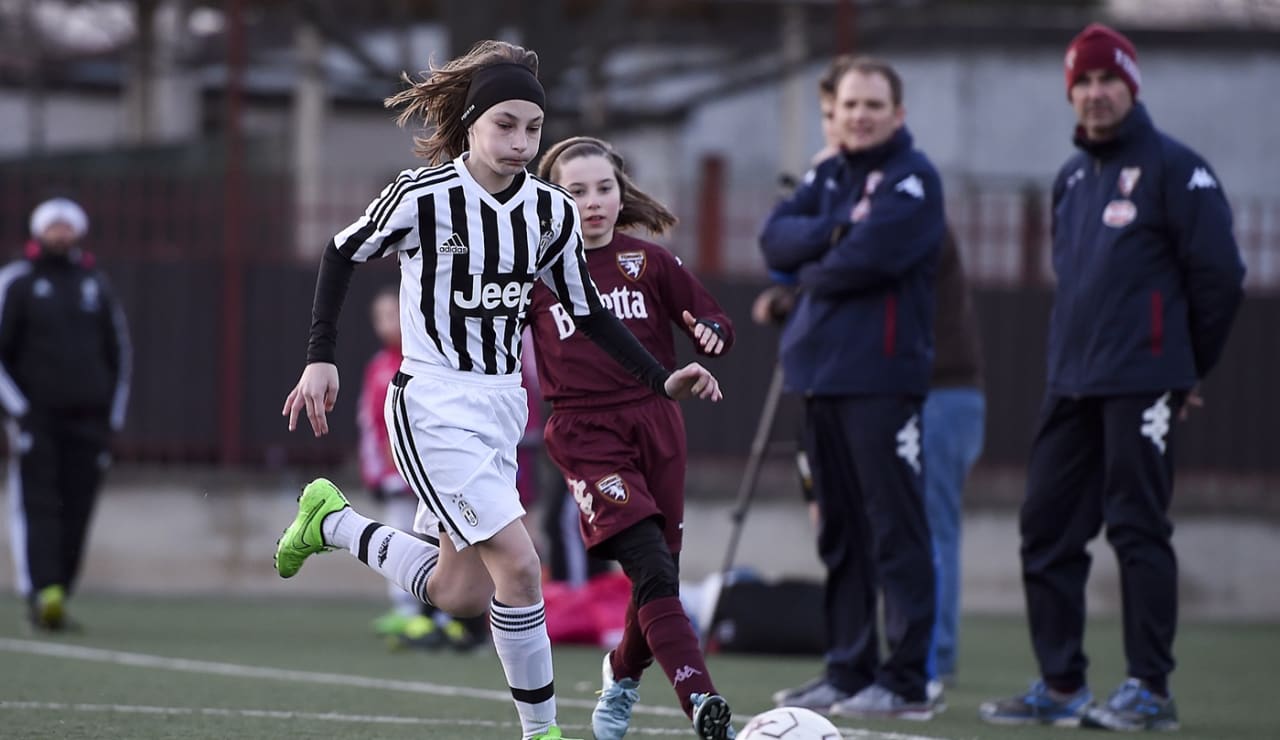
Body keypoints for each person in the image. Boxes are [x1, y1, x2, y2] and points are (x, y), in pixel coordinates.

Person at [272, 40, 723, 740]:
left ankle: (330, 522)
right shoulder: (422, 196)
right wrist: (319, 357)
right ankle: (541, 732)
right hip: (431, 401)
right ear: (473, 124)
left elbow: (590, 313)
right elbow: (341, 252)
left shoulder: (550, 213)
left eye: (533, 128)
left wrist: (660, 377)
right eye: (505, 125)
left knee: (461, 593)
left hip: (500, 405)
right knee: (520, 564)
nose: (520, 142)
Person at [978, 24, 1245, 732]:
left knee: (1136, 527)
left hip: (1143, 380)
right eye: (1083, 83)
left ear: (1132, 85)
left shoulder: (1175, 168)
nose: (1095, 95)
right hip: (1071, 382)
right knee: (1045, 530)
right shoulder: (1071, 178)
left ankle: (1149, 690)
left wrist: (1186, 368)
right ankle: (1062, 685)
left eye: (1107, 81)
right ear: (1071, 93)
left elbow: (1221, 279)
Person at [527, 136, 738, 740]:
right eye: (575, 192)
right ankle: (701, 699)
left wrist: (712, 334)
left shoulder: (650, 262)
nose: (593, 202)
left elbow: (713, 317)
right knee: (648, 565)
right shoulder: (538, 270)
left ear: (621, 195)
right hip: (585, 433)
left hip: (657, 422)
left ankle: (621, 675)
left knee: (659, 578)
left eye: (604, 189)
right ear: (550, 200)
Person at [759, 56, 943, 720]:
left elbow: (872, 258)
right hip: (818, 380)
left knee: (895, 531)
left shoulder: (914, 180)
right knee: (840, 533)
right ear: (830, 115)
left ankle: (906, 680)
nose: (860, 115)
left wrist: (818, 259)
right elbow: (774, 240)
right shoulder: (827, 173)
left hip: (882, 382)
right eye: (848, 106)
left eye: (874, 104)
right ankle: (848, 667)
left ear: (898, 113)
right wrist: (833, 236)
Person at [0, 197, 131, 632]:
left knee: (78, 505)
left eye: (67, 227)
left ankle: (62, 589)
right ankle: (42, 591)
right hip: (37, 419)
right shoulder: (17, 282)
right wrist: (19, 409)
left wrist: (112, 416)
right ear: (39, 231)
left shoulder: (94, 283)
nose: (61, 234)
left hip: (89, 420)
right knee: (39, 504)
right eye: (53, 227)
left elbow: (119, 354)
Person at [357, 286, 482, 651]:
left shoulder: (429, 360)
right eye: (380, 318)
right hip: (397, 478)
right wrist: (377, 472)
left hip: (433, 475)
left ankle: (447, 615)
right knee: (401, 535)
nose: (388, 324)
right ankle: (411, 614)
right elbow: (370, 424)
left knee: (444, 539)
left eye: (394, 314)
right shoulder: (378, 368)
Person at [921, 229, 985, 687]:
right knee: (923, 527)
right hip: (937, 394)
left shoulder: (912, 213)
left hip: (941, 393)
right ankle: (923, 650)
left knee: (934, 528)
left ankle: (934, 654)